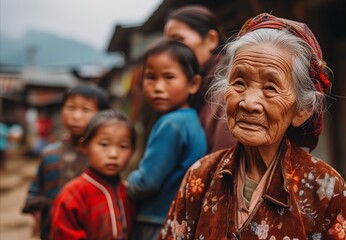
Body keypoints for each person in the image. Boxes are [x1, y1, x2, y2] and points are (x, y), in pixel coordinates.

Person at [159, 13, 346, 239]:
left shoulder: (324, 188)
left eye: (270, 88)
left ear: (302, 110)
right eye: (239, 83)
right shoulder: (200, 176)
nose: (249, 103)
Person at [127, 39, 207, 240]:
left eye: (168, 77)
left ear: (193, 84)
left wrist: (126, 184)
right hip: (177, 221)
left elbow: (147, 182)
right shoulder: (191, 121)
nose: (158, 87)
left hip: (154, 223)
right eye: (151, 77)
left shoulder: (171, 124)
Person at [22, 84, 109, 239]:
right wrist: (39, 215)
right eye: (70, 108)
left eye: (85, 110)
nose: (76, 116)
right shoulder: (50, 154)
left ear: (101, 115)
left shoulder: (103, 156)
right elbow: (35, 190)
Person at [50, 110, 136, 239]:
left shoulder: (129, 191)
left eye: (123, 146)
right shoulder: (73, 195)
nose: (113, 154)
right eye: (104, 144)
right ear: (84, 146)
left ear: (132, 151)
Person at [164, 5, 236, 153]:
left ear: (211, 39)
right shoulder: (196, 87)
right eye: (168, 44)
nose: (169, 52)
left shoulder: (226, 89)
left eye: (178, 40)